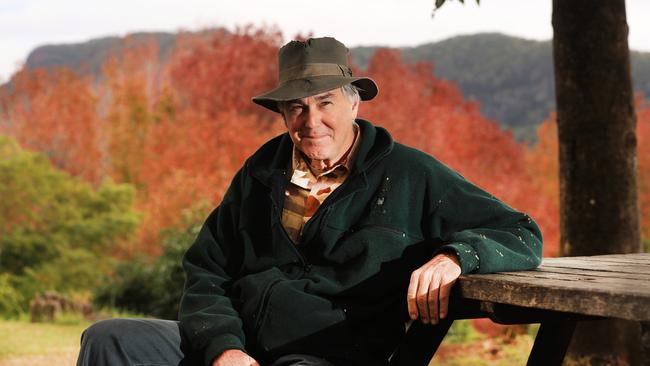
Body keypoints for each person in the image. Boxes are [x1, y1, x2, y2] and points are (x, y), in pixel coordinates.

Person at [77, 37, 542, 366]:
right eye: (297, 107)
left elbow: (520, 231)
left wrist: (454, 257)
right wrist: (223, 349)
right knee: (110, 340)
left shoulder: (410, 173)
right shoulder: (260, 174)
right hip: (240, 346)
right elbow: (207, 271)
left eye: (325, 103)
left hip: (328, 353)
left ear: (354, 104)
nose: (311, 121)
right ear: (282, 113)